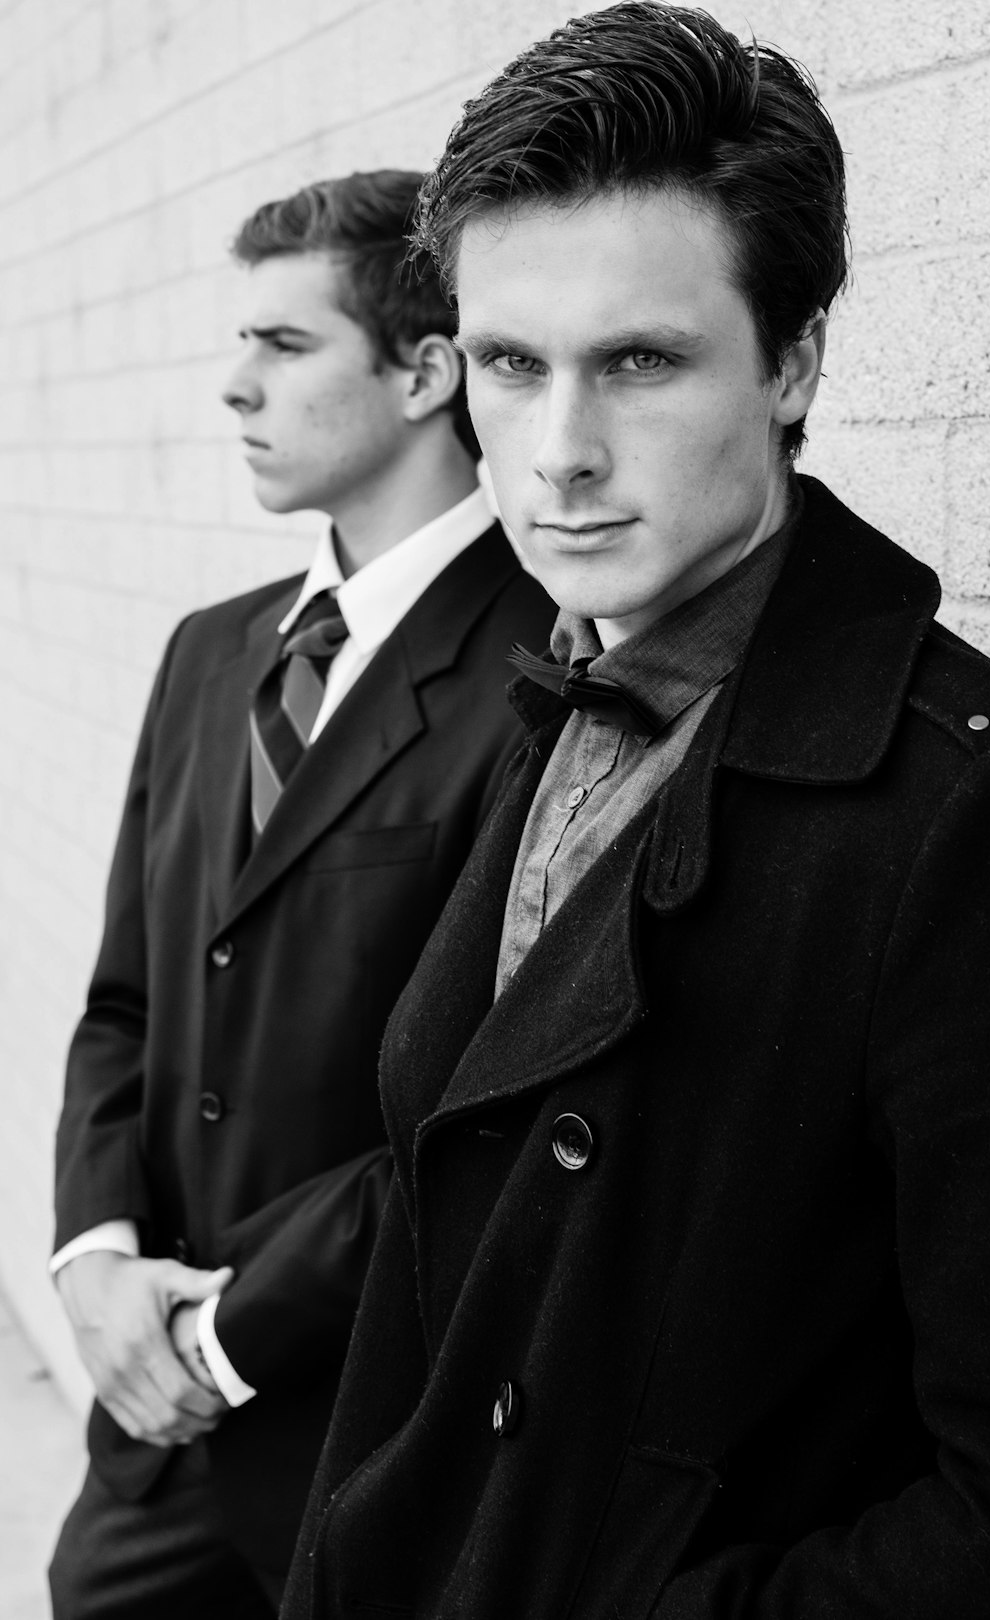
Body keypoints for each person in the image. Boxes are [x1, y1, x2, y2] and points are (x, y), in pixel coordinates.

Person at [282, 10, 990, 1619]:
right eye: (513, 365)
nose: (561, 457)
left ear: (791, 363)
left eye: (640, 360)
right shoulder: (565, 680)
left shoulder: (982, 811)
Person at [48, 168, 553, 1618]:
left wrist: (221, 1340)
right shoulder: (211, 655)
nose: (232, 388)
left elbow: (480, 1118)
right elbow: (125, 1004)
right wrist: (94, 1263)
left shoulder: (545, 668)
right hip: (154, 1443)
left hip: (379, 1435)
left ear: (424, 372)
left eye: (282, 346)